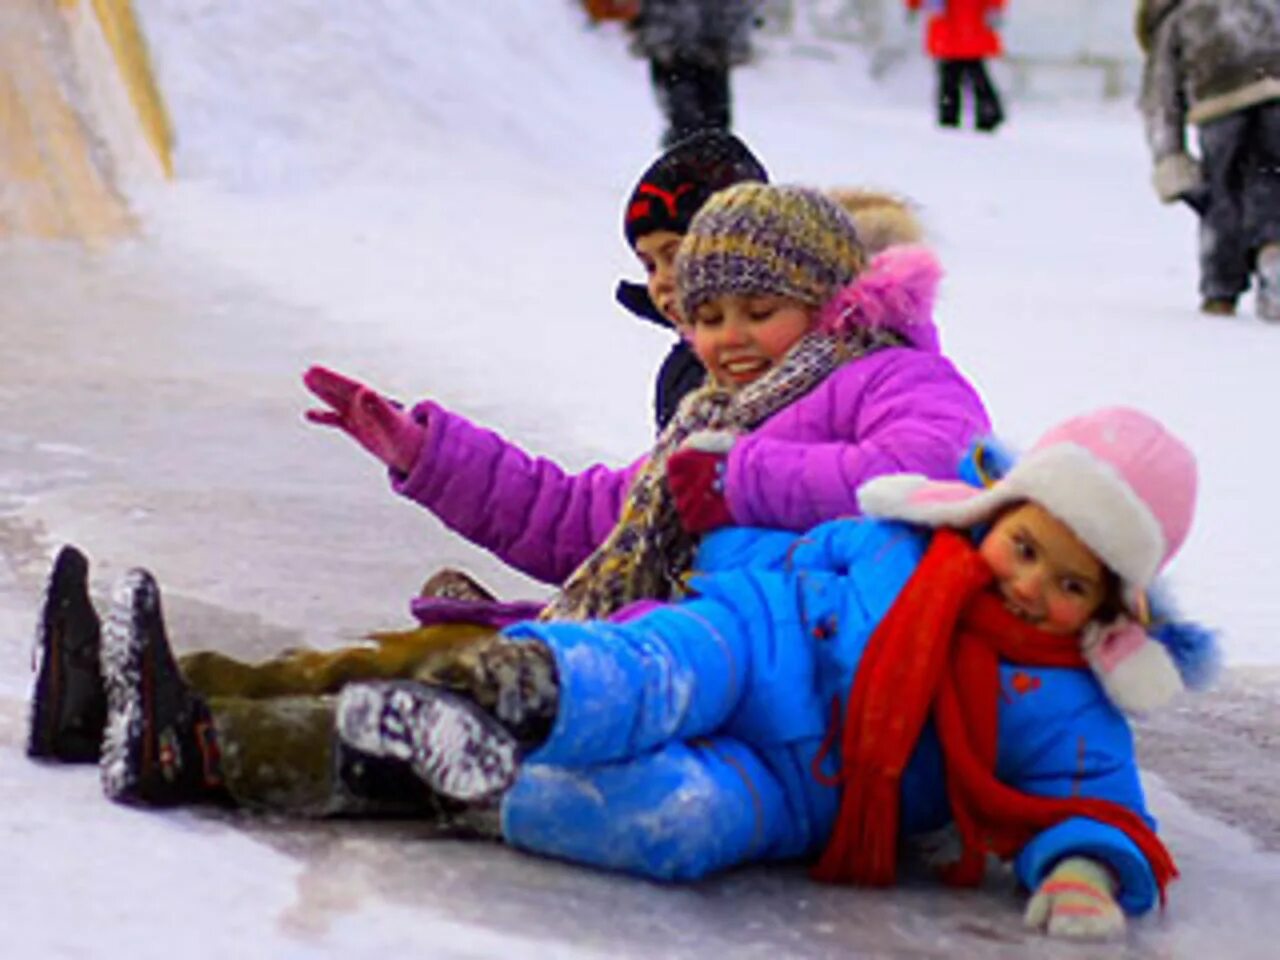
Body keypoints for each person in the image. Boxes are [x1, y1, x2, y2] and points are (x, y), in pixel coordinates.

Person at [29, 184, 990, 813]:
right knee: (393, 660)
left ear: (827, 304)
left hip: (734, 673)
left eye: (756, 312)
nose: (729, 338)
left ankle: (188, 734)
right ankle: (122, 696)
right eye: (705, 317)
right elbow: (580, 518)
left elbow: (928, 472)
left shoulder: (891, 377)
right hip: (647, 632)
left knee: (429, 690)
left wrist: (742, 480)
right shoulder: (720, 412)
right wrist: (426, 453)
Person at [332, 407, 1218, 941]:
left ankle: (479, 782)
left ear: (1108, 605)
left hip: (802, 787)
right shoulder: (911, 536)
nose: (1030, 585)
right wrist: (717, 530)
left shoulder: (1063, 697)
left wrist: (1080, 875)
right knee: (648, 678)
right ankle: (509, 690)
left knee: (686, 823)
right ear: (998, 514)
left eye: (1069, 585)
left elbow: (1095, 802)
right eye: (1025, 549)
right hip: (754, 638)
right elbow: (796, 550)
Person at [615, 129, 768, 430]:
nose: (660, 281)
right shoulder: (683, 369)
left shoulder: (790, 358)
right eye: (649, 266)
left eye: (674, 256)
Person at [1137, 0, 1280, 321]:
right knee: (1272, 179)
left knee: (1223, 196)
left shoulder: (1175, 18)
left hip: (1220, 108)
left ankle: (1220, 290)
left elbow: (1161, 100)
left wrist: (1169, 157)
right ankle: (1274, 252)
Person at [628, 1, 759, 148]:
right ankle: (689, 159)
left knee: (713, 126)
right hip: (675, 54)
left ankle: (701, 159)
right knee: (687, 122)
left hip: (709, 53)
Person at [905, 0, 1007, 133]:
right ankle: (985, 113)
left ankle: (955, 116)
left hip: (963, 27)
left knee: (956, 77)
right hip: (959, 28)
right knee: (963, 76)